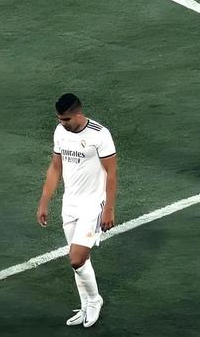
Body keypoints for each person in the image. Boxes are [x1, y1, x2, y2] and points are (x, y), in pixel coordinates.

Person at [36, 93, 117, 327]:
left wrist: (109, 208)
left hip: (93, 204)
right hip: (70, 203)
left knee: (76, 258)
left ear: (78, 114)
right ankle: (85, 305)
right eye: (59, 119)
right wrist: (44, 201)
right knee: (79, 261)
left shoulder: (99, 134)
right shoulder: (60, 132)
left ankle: (95, 300)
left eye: (66, 119)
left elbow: (111, 173)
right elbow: (55, 167)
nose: (62, 123)